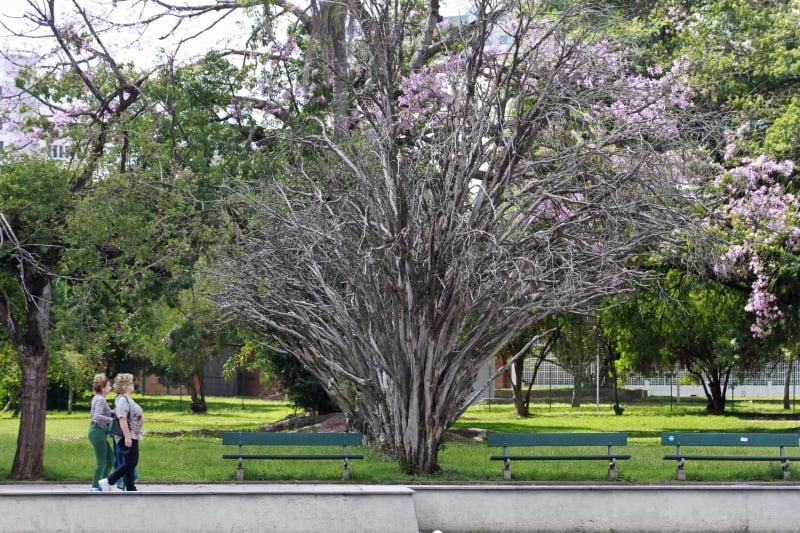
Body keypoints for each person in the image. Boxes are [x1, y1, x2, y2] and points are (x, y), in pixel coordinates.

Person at [99, 373, 144, 492]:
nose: (133, 384)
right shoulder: (122, 400)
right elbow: (122, 418)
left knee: (130, 463)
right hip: (127, 436)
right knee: (132, 462)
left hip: (133, 434)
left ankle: (130, 488)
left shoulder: (126, 399)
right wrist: (127, 437)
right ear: (124, 386)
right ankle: (109, 481)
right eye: (131, 382)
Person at [88, 373, 115, 491]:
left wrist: (116, 412)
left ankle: (103, 484)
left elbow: (107, 412)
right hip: (97, 431)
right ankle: (95, 486)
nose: (111, 388)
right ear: (103, 388)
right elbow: (97, 416)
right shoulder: (99, 400)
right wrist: (112, 420)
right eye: (109, 386)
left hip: (99, 431)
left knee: (111, 459)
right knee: (101, 461)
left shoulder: (99, 399)